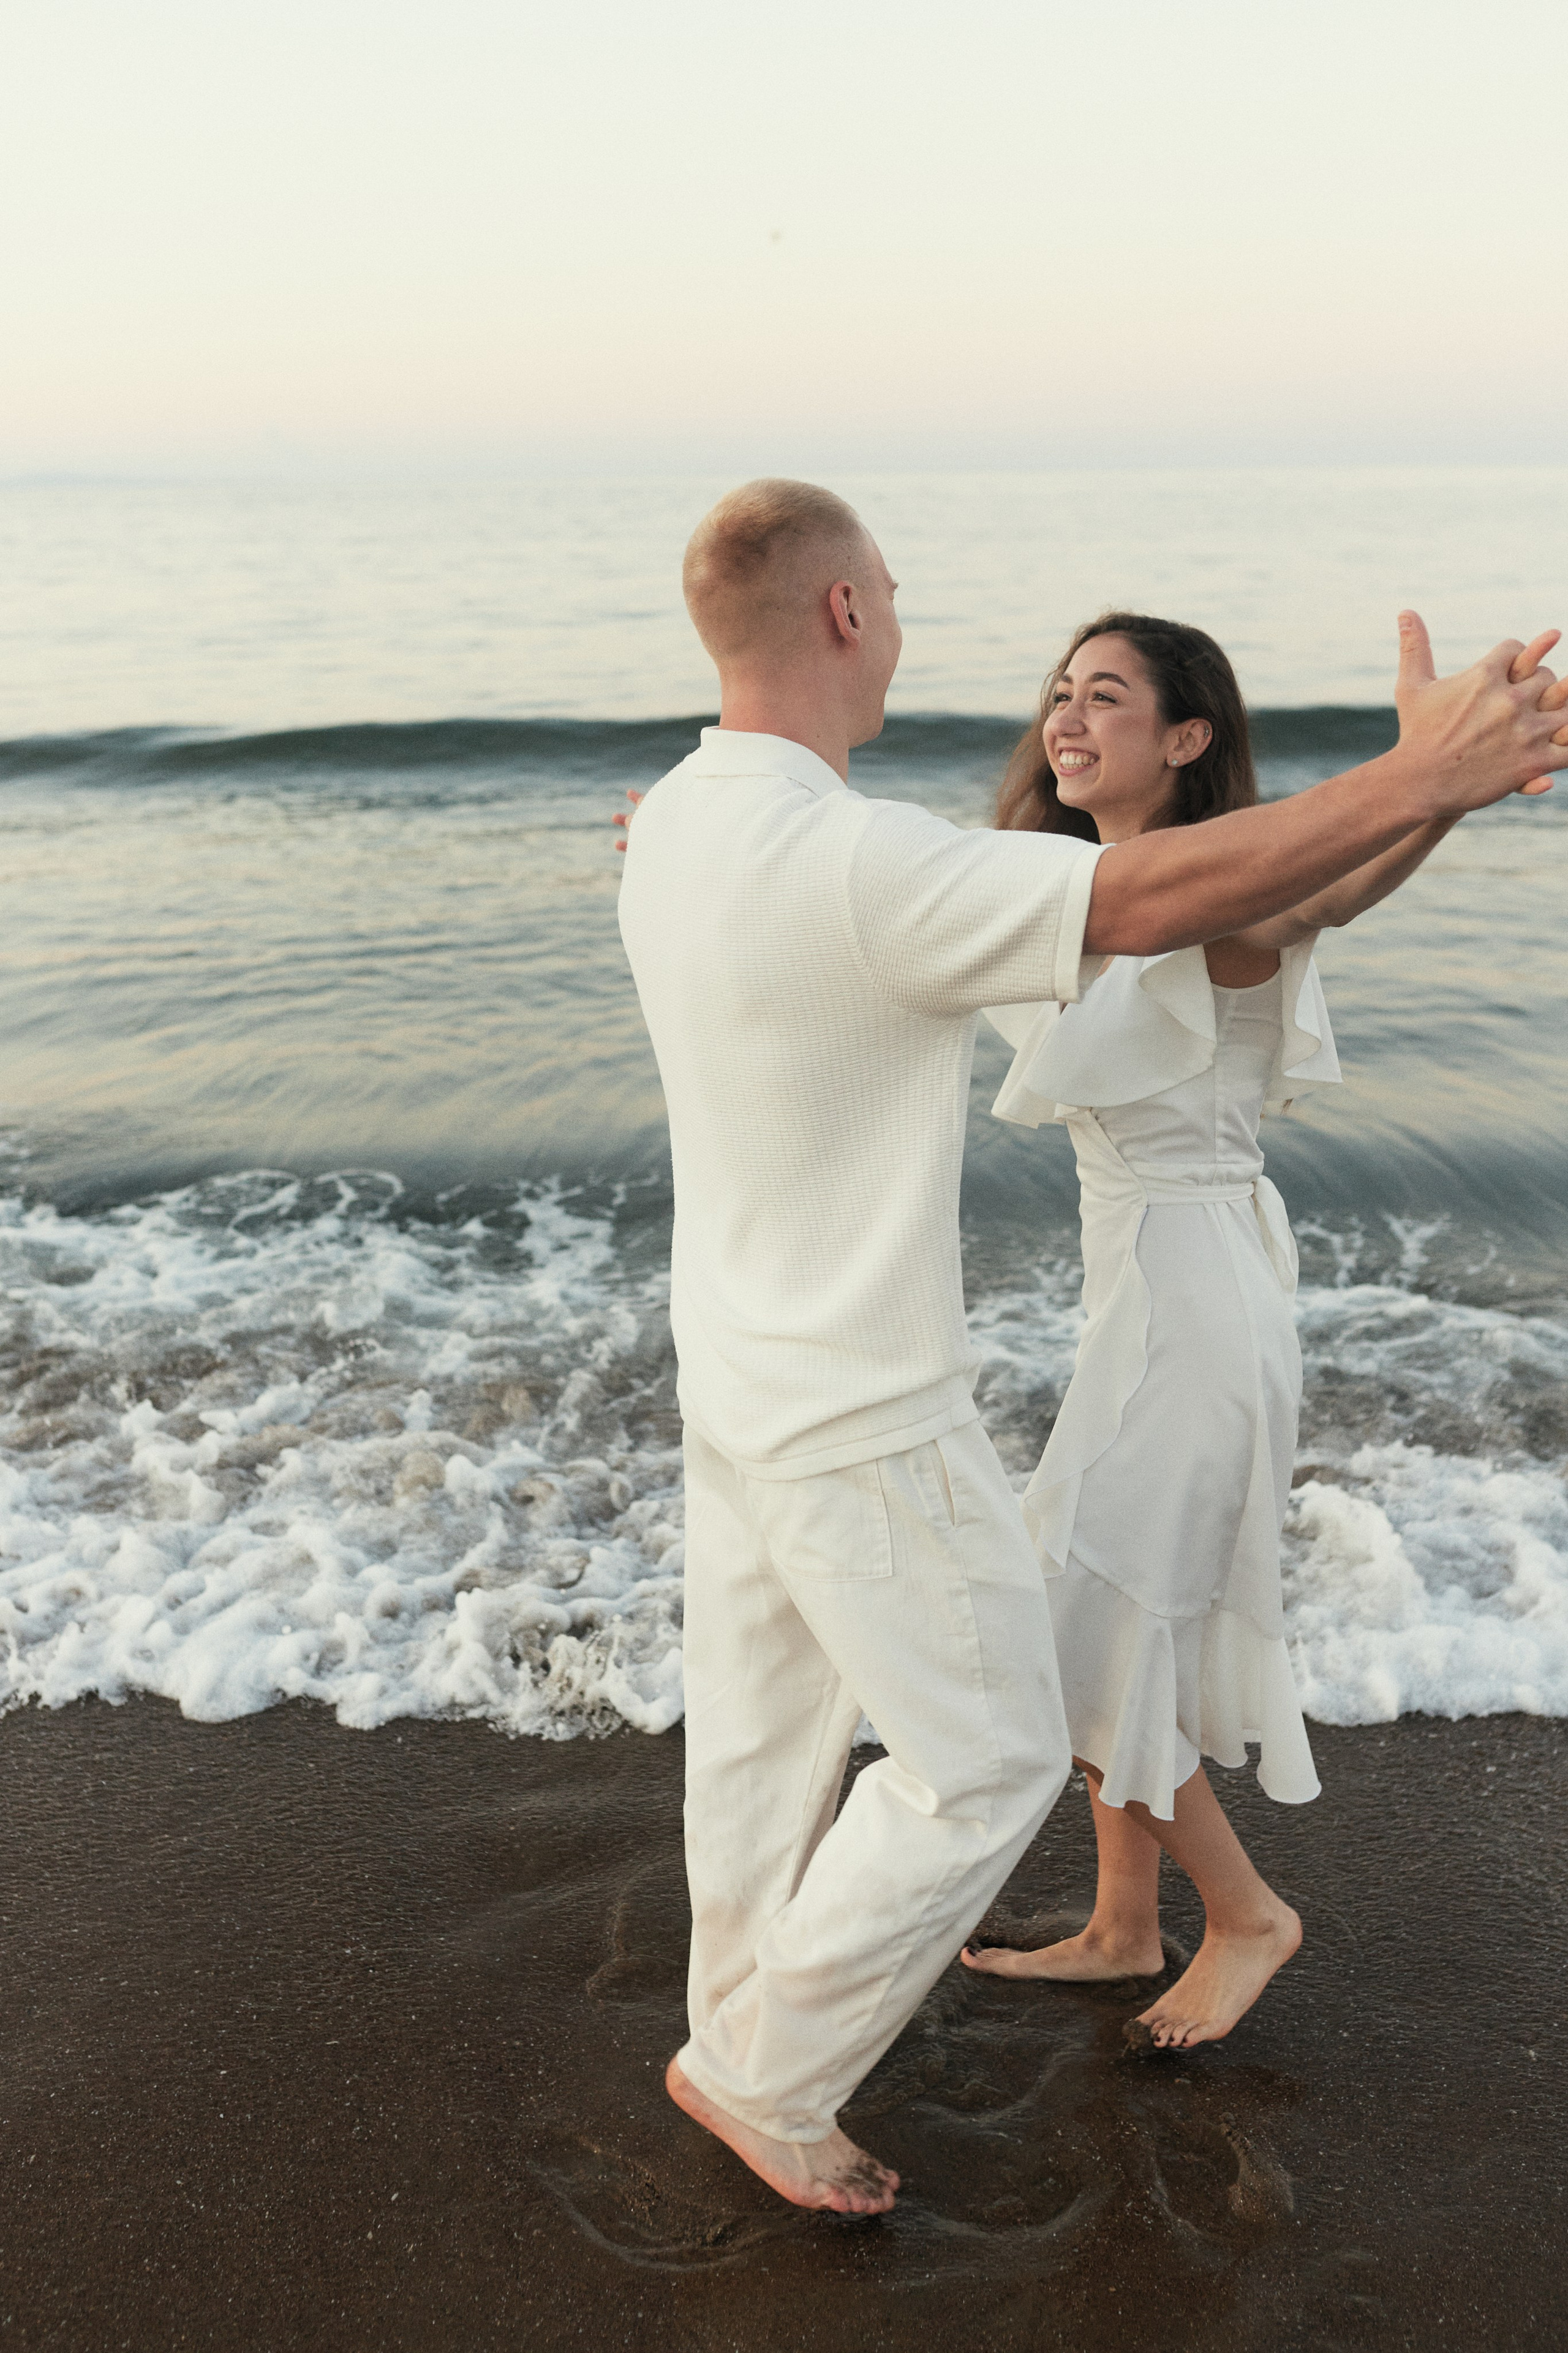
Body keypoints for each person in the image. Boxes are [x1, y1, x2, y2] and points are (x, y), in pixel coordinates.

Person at [614, 478, 1567, 2217]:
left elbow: (1277, 901)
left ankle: (1079, 1936)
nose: (915, 632)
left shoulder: (695, 821)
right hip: (861, 1393)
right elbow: (1137, 902)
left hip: (776, 1371)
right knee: (990, 1740)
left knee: (785, 1731)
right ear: (841, 614)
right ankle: (761, 2061)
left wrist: (1434, 794)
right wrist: (1428, 770)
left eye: (1098, 693)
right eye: (890, 594)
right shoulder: (893, 864)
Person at [960, 611, 1499, 2047]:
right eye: (1056, 693)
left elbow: (1321, 892)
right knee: (1122, 1612)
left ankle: (1247, 1914)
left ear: (1185, 735)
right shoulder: (1079, 886)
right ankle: (1122, 1925)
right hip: (1147, 1287)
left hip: (1190, 1296)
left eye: (1107, 698)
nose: (1065, 720)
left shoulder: (1232, 882)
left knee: (1080, 1625)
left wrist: (1424, 781)